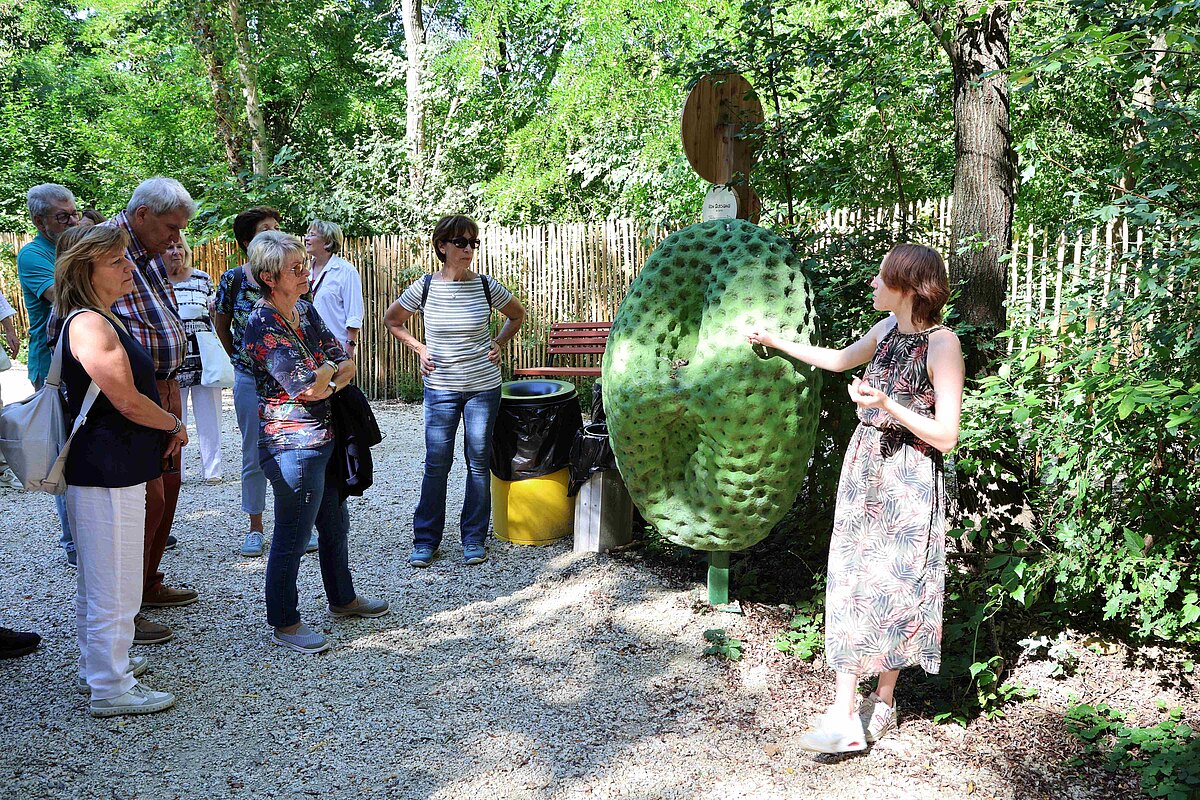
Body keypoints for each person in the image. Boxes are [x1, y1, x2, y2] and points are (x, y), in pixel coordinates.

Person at [746, 243, 964, 753]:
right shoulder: (886, 329)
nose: (872, 283)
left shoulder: (943, 344)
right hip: (865, 466)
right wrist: (775, 341)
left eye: (882, 277)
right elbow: (839, 360)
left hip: (908, 477)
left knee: (894, 582)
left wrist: (888, 404)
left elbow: (947, 435)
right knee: (853, 580)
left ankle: (882, 701)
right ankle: (845, 711)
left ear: (908, 287)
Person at [51, 177, 200, 645]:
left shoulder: (144, 255)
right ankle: (120, 624)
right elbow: (120, 394)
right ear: (142, 215)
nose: (176, 238)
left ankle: (141, 592)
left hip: (159, 391)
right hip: (121, 418)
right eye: (171, 227)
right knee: (135, 518)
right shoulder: (101, 255)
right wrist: (168, 420)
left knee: (161, 498)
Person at [243, 231, 387, 654]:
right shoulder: (262, 322)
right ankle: (284, 621)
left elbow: (344, 363)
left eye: (304, 264)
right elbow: (308, 387)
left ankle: (342, 599)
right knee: (293, 533)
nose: (306, 272)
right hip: (292, 444)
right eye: (295, 268)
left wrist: (327, 374)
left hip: (325, 435)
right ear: (269, 277)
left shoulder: (303, 309)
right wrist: (326, 373)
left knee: (335, 524)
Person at [384, 215, 525, 567]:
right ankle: (425, 540)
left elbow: (517, 315)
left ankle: (473, 538)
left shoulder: (486, 286)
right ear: (442, 246)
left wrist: (498, 342)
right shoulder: (425, 287)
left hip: (483, 388)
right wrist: (420, 348)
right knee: (437, 463)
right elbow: (393, 320)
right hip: (440, 389)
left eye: (473, 243)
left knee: (478, 463)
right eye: (460, 243)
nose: (468, 249)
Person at [17, 183, 81, 565]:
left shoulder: (71, 246)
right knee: (65, 456)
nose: (72, 221)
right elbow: (66, 298)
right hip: (52, 368)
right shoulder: (33, 255)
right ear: (39, 221)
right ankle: (73, 542)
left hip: (81, 361)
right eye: (63, 216)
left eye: (74, 213)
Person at [213, 206, 282, 558]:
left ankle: (292, 525)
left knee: (291, 452)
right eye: (265, 229)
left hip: (287, 382)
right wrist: (239, 357)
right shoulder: (233, 280)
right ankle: (255, 527)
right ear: (246, 242)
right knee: (253, 452)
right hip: (248, 379)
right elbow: (221, 323)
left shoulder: (290, 275)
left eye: (276, 227)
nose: (274, 233)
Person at [166, 233, 222, 484]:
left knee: (211, 416)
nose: (175, 252)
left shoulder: (202, 278)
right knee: (175, 418)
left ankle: (213, 471)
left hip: (204, 359)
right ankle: (176, 470)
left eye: (179, 247)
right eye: (169, 248)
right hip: (173, 361)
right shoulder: (156, 282)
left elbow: (215, 316)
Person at [304, 220, 363, 357]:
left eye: (312, 235)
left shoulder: (346, 271)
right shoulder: (305, 271)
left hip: (335, 347)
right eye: (308, 234)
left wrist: (349, 347)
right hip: (308, 347)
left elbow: (354, 313)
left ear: (327, 242)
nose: (306, 238)